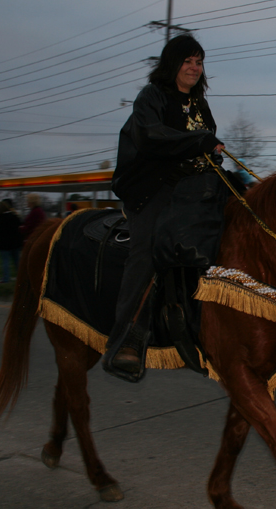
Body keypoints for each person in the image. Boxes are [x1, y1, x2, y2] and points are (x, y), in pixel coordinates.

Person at [101, 34, 226, 382]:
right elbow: (151, 136)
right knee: (148, 251)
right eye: (187, 61)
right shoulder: (151, 97)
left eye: (199, 62)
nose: (194, 67)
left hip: (191, 190)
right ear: (172, 64)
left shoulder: (200, 105)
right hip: (151, 188)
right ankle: (126, 340)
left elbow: (205, 146)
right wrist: (197, 141)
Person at [0, 198, 23, 284]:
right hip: (14, 242)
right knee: (17, 261)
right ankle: (20, 277)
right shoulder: (14, 216)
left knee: (5, 261)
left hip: (3, 243)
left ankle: (6, 278)